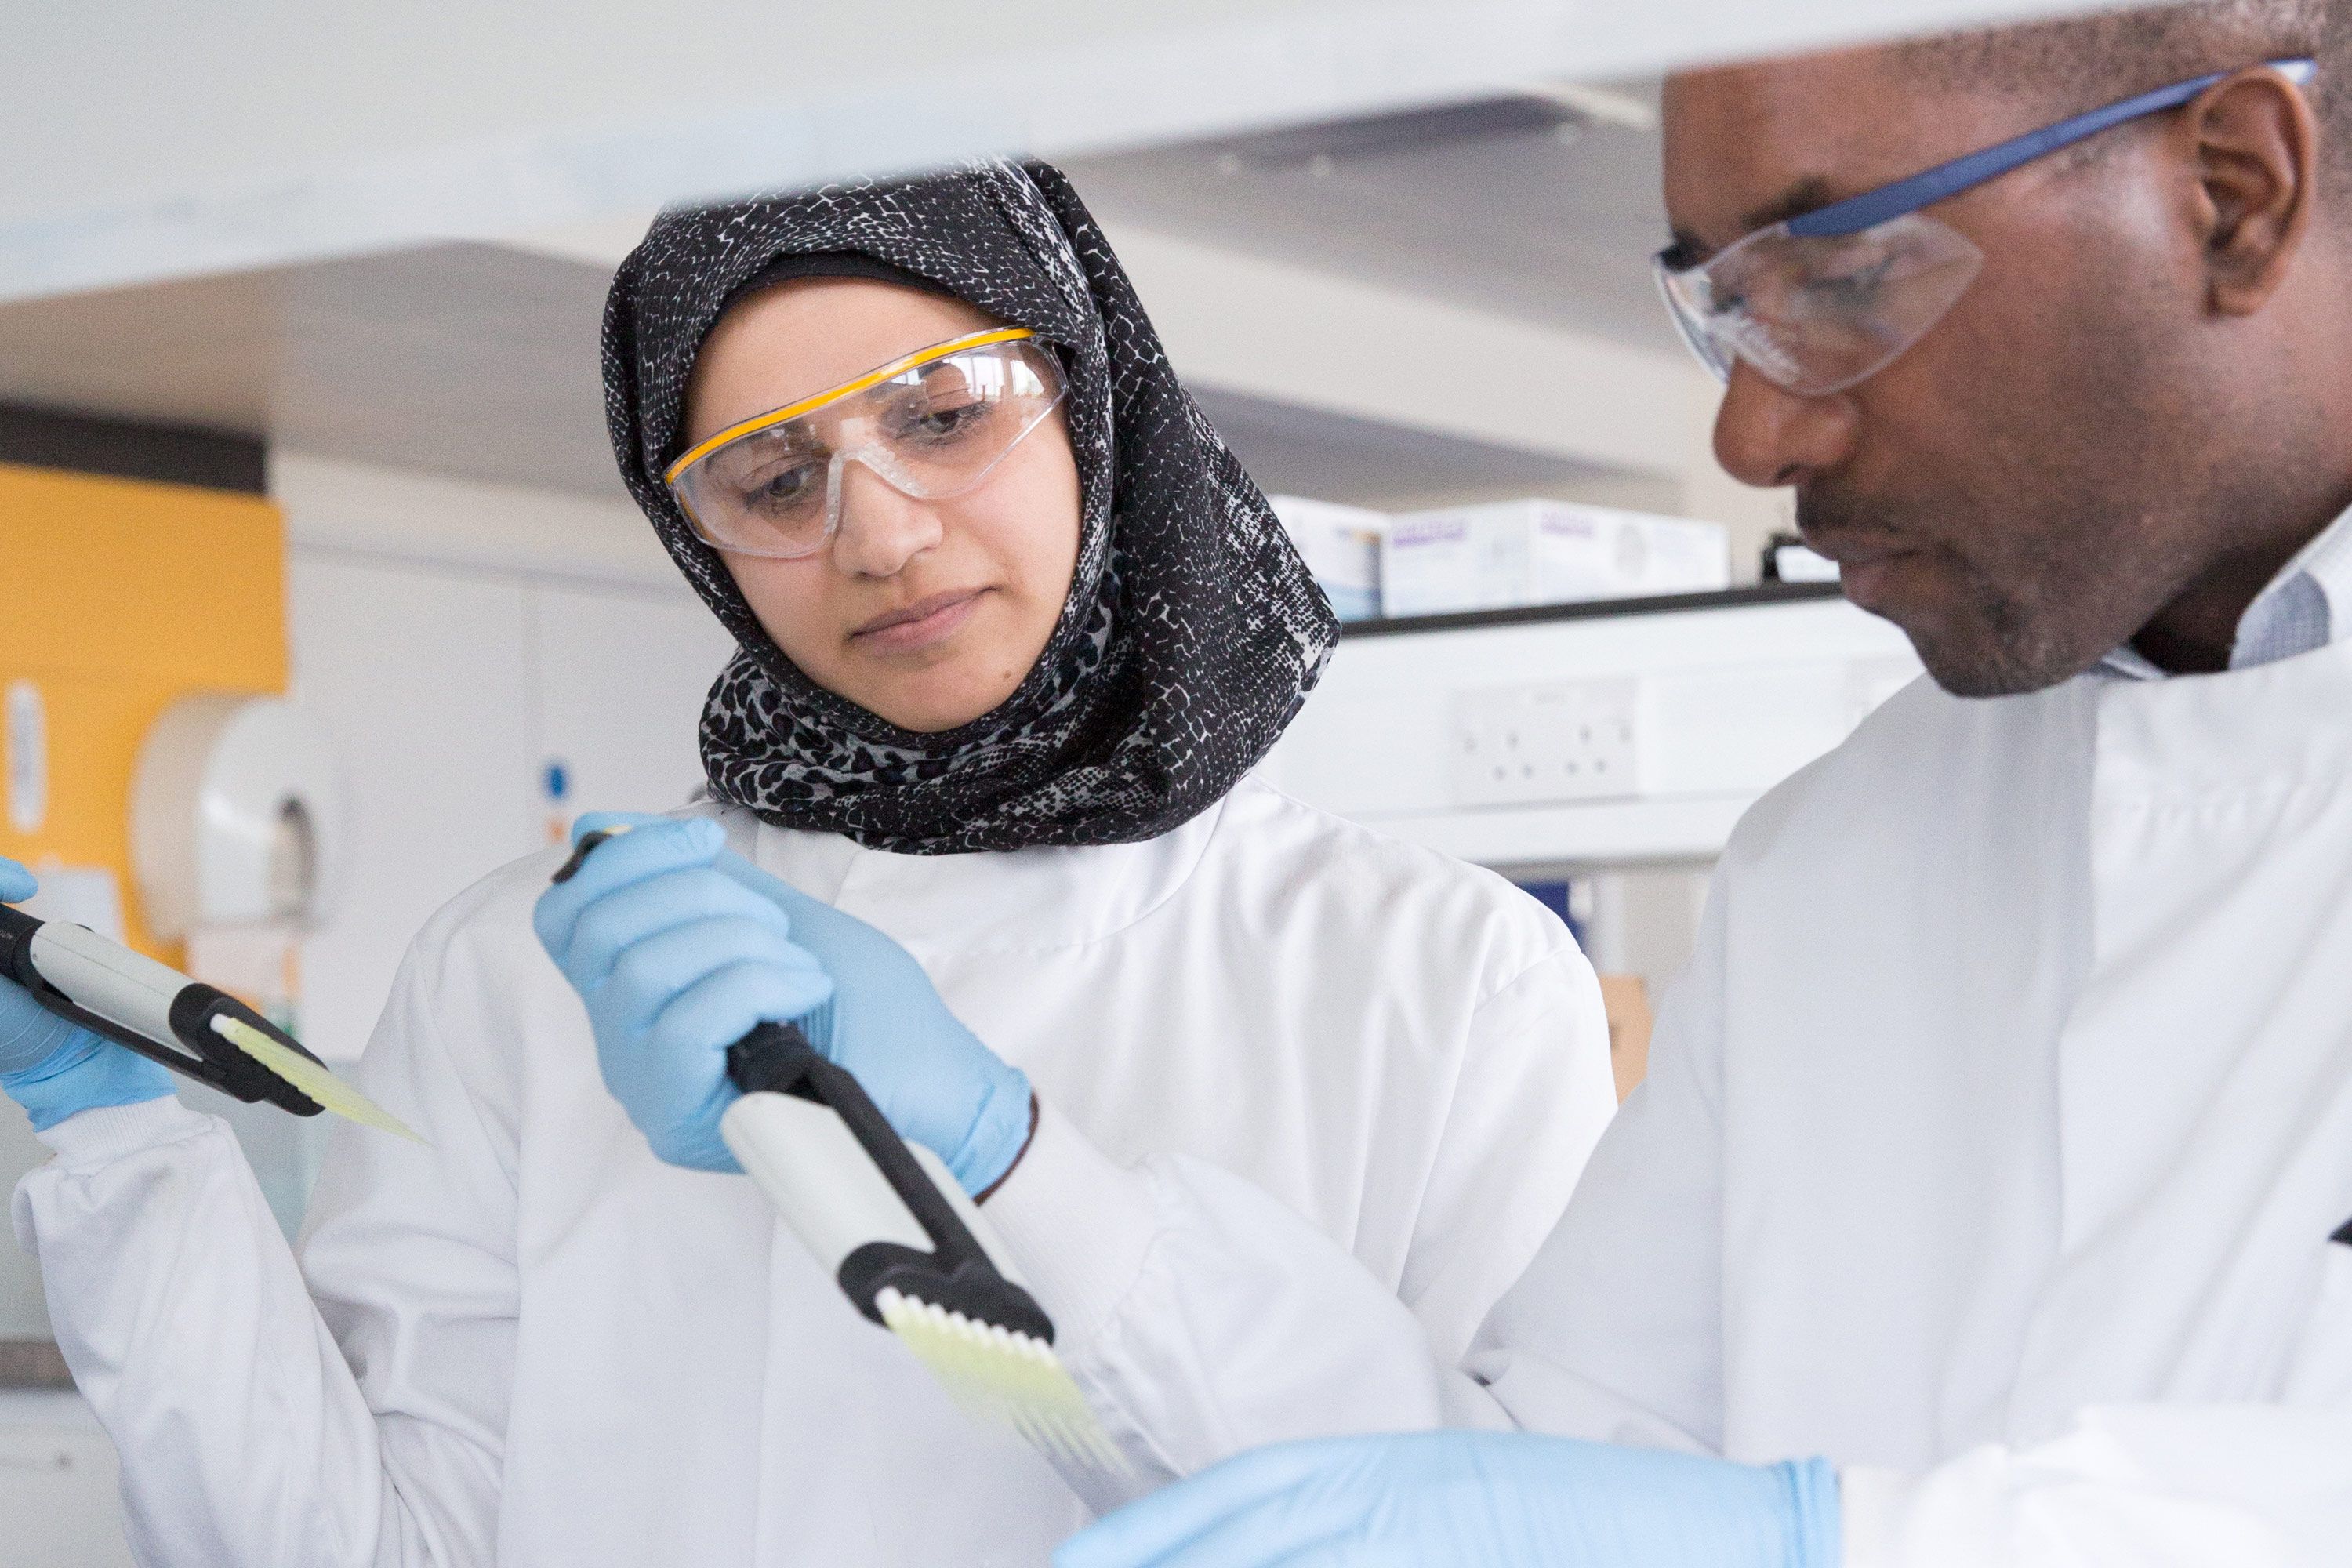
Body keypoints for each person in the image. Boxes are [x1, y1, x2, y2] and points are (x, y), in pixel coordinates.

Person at [0, 160, 1617, 1566]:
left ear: (1091, 395)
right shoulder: (532, 968)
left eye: (943, 417)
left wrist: (1013, 1158)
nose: (882, 531)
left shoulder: (1439, 978)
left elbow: (1498, 1533)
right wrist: (119, 1146)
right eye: (776, 478)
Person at [939, 7, 2350, 1566]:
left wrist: (1812, 1539)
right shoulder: (1838, 860)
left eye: (1839, 277)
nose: (1750, 430)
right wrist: (1010, 1161)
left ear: (2236, 188)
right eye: (1725, 308)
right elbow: (1547, 1473)